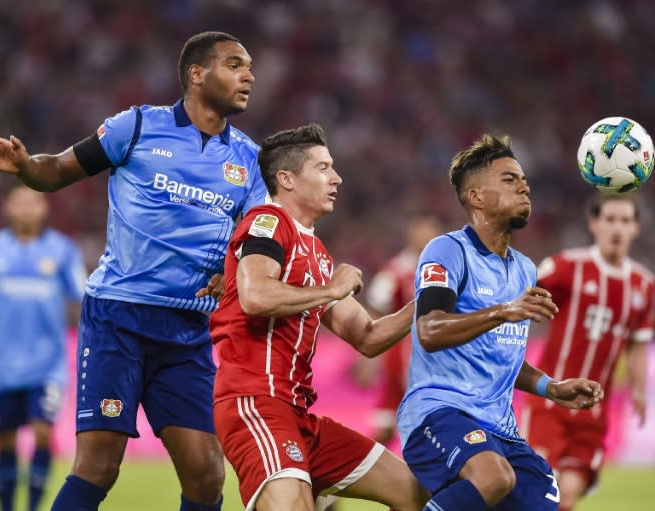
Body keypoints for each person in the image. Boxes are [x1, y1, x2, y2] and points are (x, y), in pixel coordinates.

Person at [0, 31, 268, 511]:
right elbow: (56, 171)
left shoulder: (248, 158)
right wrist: (26, 167)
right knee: (98, 467)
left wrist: (234, 268)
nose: (249, 76)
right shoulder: (136, 127)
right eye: (235, 65)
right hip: (119, 318)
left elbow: (258, 238)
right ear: (197, 74)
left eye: (249, 67)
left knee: (206, 474)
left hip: (188, 329)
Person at [209, 123, 428, 511]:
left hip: (299, 416)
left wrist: (427, 302)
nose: (337, 178)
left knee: (414, 493)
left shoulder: (317, 252)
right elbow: (255, 295)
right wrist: (330, 290)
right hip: (254, 403)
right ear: (287, 179)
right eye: (324, 168)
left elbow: (368, 336)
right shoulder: (267, 222)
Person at [396, 134, 605, 511]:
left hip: (499, 428)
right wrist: (502, 311)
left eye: (523, 179)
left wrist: (551, 388)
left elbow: (503, 356)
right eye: (509, 179)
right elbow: (428, 329)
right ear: (476, 197)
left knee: (545, 498)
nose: (524, 186)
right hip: (438, 413)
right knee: (494, 477)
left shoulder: (524, 269)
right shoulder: (448, 250)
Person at [0, 186, 86, 511]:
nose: (25, 209)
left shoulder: (63, 251)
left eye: (32, 202)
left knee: (40, 432)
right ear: (8, 208)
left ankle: (34, 506)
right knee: (5, 439)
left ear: (44, 208)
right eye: (19, 202)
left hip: (48, 365)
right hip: (5, 366)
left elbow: (82, 301)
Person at [520, 194, 655, 511]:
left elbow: (637, 343)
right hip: (548, 405)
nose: (617, 228)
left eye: (625, 220)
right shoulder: (569, 266)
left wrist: (639, 389)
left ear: (635, 228)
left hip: (592, 411)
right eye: (609, 219)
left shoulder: (644, 284)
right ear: (594, 224)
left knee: (567, 495)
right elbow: (522, 292)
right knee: (539, 490)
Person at [352, 214, 441, 446]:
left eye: (431, 231)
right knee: (387, 426)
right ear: (411, 234)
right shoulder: (396, 271)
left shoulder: (445, 269)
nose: (427, 236)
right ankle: (361, 471)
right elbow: (375, 310)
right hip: (401, 359)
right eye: (423, 231)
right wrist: (367, 359)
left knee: (435, 425)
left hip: (437, 360)